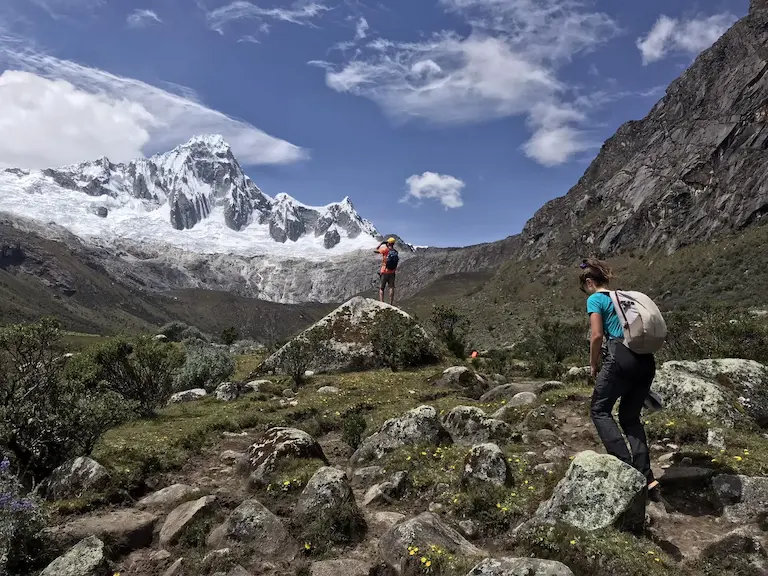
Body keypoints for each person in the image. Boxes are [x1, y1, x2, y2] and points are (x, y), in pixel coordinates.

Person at [579, 258, 662, 501]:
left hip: (620, 357)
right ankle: (647, 477)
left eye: (584, 287)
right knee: (630, 417)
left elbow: (596, 335)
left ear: (590, 282)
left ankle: (625, 468)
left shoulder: (596, 299)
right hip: (646, 361)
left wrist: (594, 363)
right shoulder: (625, 299)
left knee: (599, 410)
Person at [375, 237, 398, 305]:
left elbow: (376, 250)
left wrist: (381, 244)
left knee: (382, 288)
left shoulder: (385, 249)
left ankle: (382, 303)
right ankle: (391, 303)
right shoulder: (395, 251)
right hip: (392, 272)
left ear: (388, 243)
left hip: (384, 271)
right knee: (391, 287)